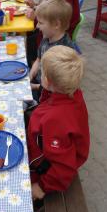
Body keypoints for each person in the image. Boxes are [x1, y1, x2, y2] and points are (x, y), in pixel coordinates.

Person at [27, 45, 89, 200]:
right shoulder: (71, 93)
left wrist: (41, 186)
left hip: (46, 170)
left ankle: (38, 205)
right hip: (50, 141)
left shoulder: (55, 120)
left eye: (42, 73)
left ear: (47, 81)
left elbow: (63, 166)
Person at [29, 0, 76, 101]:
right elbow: (38, 59)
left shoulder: (65, 52)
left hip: (50, 96)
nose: (37, 26)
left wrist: (33, 87)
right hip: (39, 83)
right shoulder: (46, 38)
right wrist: (30, 75)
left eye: (41, 23)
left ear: (56, 24)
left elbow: (59, 88)